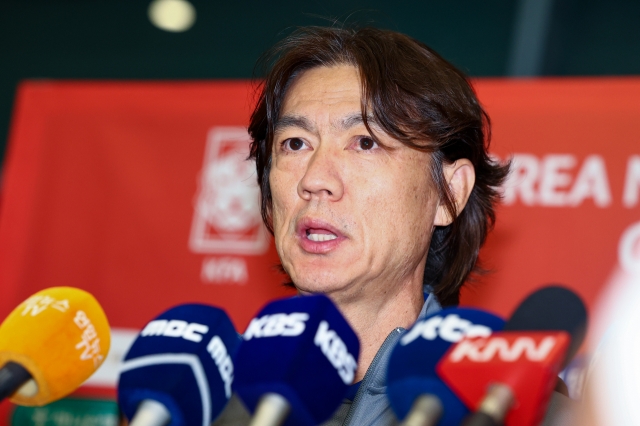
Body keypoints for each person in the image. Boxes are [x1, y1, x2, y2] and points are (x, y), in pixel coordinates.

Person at [215, 26, 574, 425]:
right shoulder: (201, 396)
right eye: (296, 143)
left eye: (365, 142)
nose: (315, 179)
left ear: (449, 194)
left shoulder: (510, 408)